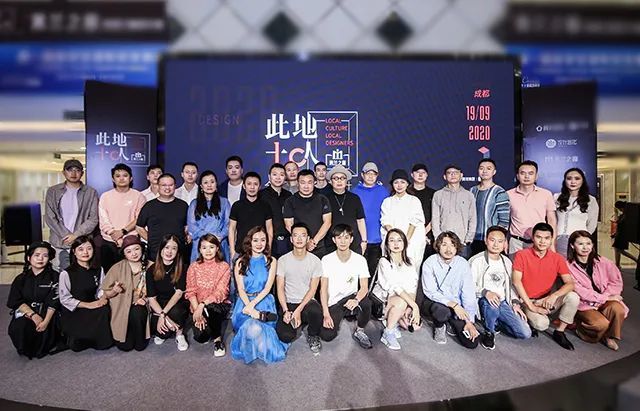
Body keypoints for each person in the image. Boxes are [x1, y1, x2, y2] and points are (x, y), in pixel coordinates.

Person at [511, 222, 578, 350]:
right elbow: (516, 281)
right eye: (539, 237)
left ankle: (560, 332)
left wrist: (554, 296)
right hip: (527, 301)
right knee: (542, 324)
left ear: (551, 239)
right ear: (533, 238)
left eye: (547, 238)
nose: (542, 241)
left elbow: (570, 284)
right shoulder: (522, 255)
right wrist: (532, 306)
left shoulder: (557, 258)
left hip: (547, 300)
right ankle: (529, 319)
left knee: (573, 297)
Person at [231, 227, 288, 364]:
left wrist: (252, 307)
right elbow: (241, 289)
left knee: (255, 330)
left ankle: (254, 344)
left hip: (263, 300)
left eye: (263, 240)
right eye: (255, 240)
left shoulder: (271, 261)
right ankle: (258, 343)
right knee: (254, 329)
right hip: (244, 302)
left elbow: (267, 288)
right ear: (249, 242)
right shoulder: (240, 262)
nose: (259, 243)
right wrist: (250, 308)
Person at [469, 226, 531, 351]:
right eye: (492, 240)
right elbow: (468, 285)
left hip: (503, 302)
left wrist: (515, 302)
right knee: (492, 305)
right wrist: (485, 292)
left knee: (525, 333)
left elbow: (511, 286)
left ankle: (496, 322)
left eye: (500, 241)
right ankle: (489, 332)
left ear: (505, 243)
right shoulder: (476, 261)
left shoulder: (507, 262)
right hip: (483, 300)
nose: (496, 244)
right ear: (486, 240)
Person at [567, 230, 628, 351]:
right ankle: (581, 329)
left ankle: (609, 336)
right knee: (600, 324)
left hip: (604, 299)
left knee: (618, 309)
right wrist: (605, 298)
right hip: (585, 304)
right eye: (580, 244)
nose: (585, 247)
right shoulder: (568, 266)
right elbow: (579, 290)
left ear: (592, 245)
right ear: (572, 246)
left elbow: (616, 282)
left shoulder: (603, 262)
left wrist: (606, 296)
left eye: (588, 243)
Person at [421, 232, 479, 348]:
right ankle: (439, 326)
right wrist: (453, 305)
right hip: (436, 302)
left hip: (457, 305)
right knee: (442, 312)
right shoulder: (430, 262)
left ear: (457, 247)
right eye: (444, 245)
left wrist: (469, 322)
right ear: (438, 246)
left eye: (452, 245)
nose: (448, 249)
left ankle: (451, 322)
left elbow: (468, 293)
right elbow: (430, 292)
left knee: (471, 343)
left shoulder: (462, 263)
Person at [7, 241, 64, 359]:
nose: (40, 259)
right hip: (28, 313)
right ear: (29, 258)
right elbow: (15, 301)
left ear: (49, 259)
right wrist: (33, 315)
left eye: (45, 256)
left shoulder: (55, 276)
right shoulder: (21, 279)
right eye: (37, 255)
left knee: (45, 337)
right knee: (19, 327)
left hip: (49, 315)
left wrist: (45, 322)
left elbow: (54, 301)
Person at [319, 224, 373, 349]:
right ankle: (339, 316)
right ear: (334, 240)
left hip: (351, 298)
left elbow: (364, 287)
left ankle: (360, 330)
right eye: (339, 238)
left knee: (366, 303)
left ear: (351, 239)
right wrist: (326, 313)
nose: (343, 241)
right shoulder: (326, 260)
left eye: (346, 237)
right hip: (334, 302)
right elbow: (323, 289)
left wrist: (356, 300)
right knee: (326, 335)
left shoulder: (360, 260)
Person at [275, 223, 323, 354]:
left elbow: (313, 290)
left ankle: (313, 335)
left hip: (307, 302)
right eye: (296, 235)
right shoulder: (283, 260)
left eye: (303, 235)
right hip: (288, 303)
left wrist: (298, 310)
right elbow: (280, 287)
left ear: (308, 239)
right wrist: (286, 310)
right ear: (291, 239)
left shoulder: (315, 261)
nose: (299, 239)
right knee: (285, 337)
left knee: (316, 312)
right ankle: (296, 321)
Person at [59, 236, 112, 352]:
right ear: (74, 251)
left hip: (94, 304)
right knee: (77, 345)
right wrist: (88, 305)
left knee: (104, 309)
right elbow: (65, 299)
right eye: (81, 249)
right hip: (76, 309)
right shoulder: (66, 273)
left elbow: (101, 289)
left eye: (89, 248)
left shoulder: (99, 269)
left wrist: (103, 298)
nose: (85, 252)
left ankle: (99, 341)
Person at [44, 159, 99, 271]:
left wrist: (75, 235)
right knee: (60, 274)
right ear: (64, 172)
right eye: (70, 170)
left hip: (82, 243)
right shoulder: (53, 191)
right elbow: (50, 217)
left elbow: (93, 218)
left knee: (82, 274)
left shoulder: (90, 192)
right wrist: (66, 235)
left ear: (82, 173)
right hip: (59, 241)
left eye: (77, 170)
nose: (73, 173)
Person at [371, 229, 420, 350]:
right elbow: (394, 287)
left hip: (402, 299)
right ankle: (388, 332)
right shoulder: (384, 261)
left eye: (399, 240)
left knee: (414, 325)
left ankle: (395, 321)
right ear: (387, 244)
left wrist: (410, 308)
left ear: (404, 243)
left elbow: (412, 286)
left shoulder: (410, 262)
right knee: (401, 302)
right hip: (383, 299)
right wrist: (414, 306)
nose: (396, 244)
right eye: (392, 240)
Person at [185, 234, 231, 357]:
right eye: (204, 247)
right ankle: (207, 326)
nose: (208, 251)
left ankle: (218, 340)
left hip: (217, 304)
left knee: (213, 309)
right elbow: (190, 291)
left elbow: (221, 292)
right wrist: (197, 311)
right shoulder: (193, 267)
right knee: (201, 337)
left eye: (211, 247)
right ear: (199, 250)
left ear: (217, 248)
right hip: (197, 306)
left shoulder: (224, 266)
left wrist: (202, 305)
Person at [102, 236, 149, 352]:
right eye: (129, 251)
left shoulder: (149, 266)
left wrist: (146, 300)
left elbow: (157, 290)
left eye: (136, 249)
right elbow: (106, 293)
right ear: (124, 254)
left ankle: (141, 338)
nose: (134, 254)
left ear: (142, 249)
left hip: (140, 306)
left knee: (140, 345)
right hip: (122, 308)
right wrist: (114, 291)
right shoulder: (117, 268)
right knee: (125, 346)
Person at [99, 163, 146, 272]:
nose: (121, 178)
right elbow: (103, 219)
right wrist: (114, 235)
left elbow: (139, 218)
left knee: (131, 272)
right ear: (113, 179)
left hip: (131, 241)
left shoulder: (138, 196)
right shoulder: (105, 196)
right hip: (109, 241)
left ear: (131, 178)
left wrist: (123, 232)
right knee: (110, 273)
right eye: (118, 176)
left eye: (125, 175)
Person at [146, 235, 189, 351]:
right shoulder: (151, 270)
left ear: (177, 252)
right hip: (159, 305)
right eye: (167, 247)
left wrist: (163, 315)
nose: (169, 251)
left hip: (177, 303)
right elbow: (151, 299)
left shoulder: (183, 268)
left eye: (174, 248)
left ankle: (179, 334)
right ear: (161, 250)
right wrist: (163, 315)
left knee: (176, 311)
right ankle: (169, 325)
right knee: (162, 333)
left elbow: (178, 294)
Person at [136, 173, 189, 263]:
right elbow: (139, 227)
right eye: (164, 185)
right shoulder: (149, 206)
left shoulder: (183, 205)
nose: (167, 188)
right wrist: (151, 240)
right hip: (155, 253)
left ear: (175, 186)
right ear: (158, 186)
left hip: (177, 253)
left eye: (170, 185)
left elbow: (187, 225)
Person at [380, 169, 426, 273]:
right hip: (393, 243)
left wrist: (405, 240)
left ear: (407, 184)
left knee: (411, 270)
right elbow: (385, 221)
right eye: (396, 182)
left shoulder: (414, 200)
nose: (399, 185)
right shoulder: (387, 202)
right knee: (392, 270)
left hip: (411, 242)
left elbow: (415, 221)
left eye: (402, 182)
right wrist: (395, 239)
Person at [507, 161, 557, 255]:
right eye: (523, 173)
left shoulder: (546, 194)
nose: (526, 176)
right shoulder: (508, 194)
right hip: (516, 243)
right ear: (517, 176)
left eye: (530, 173)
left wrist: (552, 242)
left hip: (540, 243)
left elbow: (551, 220)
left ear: (536, 176)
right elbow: (505, 220)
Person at [351, 161, 388, 280]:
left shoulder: (383, 191)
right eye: (368, 173)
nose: (371, 176)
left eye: (374, 174)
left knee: (374, 273)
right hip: (359, 239)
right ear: (362, 175)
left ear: (377, 176)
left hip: (378, 239)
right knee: (358, 272)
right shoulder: (355, 192)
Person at [283, 169, 332, 259]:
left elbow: (327, 222)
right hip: (298, 247)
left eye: (309, 182)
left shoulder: (322, 199)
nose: (306, 186)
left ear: (314, 183)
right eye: (303, 182)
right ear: (298, 183)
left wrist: (313, 242)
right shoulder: (290, 201)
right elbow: (288, 225)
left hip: (318, 247)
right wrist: (304, 242)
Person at [431, 164, 476, 259]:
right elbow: (435, 219)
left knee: (462, 267)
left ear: (461, 175)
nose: (453, 175)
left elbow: (473, 218)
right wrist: (438, 238)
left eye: (455, 172)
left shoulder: (469, 195)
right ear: (444, 176)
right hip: (444, 243)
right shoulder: (438, 195)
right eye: (449, 173)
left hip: (462, 242)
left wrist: (468, 239)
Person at [187, 170, 231, 262]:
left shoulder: (224, 202)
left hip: (219, 243)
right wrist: (208, 238)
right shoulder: (194, 204)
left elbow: (228, 224)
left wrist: (219, 236)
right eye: (206, 182)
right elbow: (192, 226)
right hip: (200, 245)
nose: (209, 185)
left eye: (212, 182)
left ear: (216, 184)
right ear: (201, 186)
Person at [229, 172, 273, 261]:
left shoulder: (265, 206)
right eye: (249, 184)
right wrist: (232, 251)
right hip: (240, 252)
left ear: (259, 187)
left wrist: (268, 250)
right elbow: (232, 229)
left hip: (261, 252)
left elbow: (269, 229)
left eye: (255, 184)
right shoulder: (237, 206)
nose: (252, 187)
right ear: (244, 186)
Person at [554, 168, 599, 256]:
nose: (573, 182)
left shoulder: (591, 200)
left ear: (582, 181)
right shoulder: (556, 197)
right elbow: (553, 220)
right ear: (565, 180)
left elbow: (592, 224)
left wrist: (583, 240)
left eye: (577, 178)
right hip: (559, 239)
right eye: (569, 178)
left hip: (580, 241)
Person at [469, 159, 510, 255]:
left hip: (492, 241)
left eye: (488, 168)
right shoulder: (472, 190)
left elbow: (504, 221)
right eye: (481, 168)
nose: (484, 171)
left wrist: (500, 239)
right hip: (473, 239)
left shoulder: (499, 192)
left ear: (494, 172)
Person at [325, 164, 367, 254]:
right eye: (336, 178)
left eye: (342, 178)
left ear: (346, 181)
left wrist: (364, 241)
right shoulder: (325, 199)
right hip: (331, 243)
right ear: (331, 181)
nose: (339, 181)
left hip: (353, 242)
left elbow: (360, 220)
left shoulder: (354, 198)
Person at [260, 163, 293, 258]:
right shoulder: (261, 195)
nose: (278, 178)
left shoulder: (289, 196)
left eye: (281, 175)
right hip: (268, 241)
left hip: (286, 241)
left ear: (285, 177)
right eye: (275, 174)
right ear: (269, 177)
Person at [408, 163, 437, 260]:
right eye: (417, 172)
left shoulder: (434, 194)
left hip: (428, 236)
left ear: (427, 175)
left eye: (423, 172)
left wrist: (423, 233)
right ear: (412, 175)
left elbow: (436, 216)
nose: (420, 175)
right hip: (409, 235)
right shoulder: (406, 193)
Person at [611, 201, 637, 269]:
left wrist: (616, 214)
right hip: (620, 235)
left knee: (620, 250)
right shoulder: (623, 215)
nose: (619, 210)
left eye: (619, 208)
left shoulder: (626, 215)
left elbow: (620, 223)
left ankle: (636, 260)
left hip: (622, 235)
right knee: (617, 249)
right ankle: (617, 264)